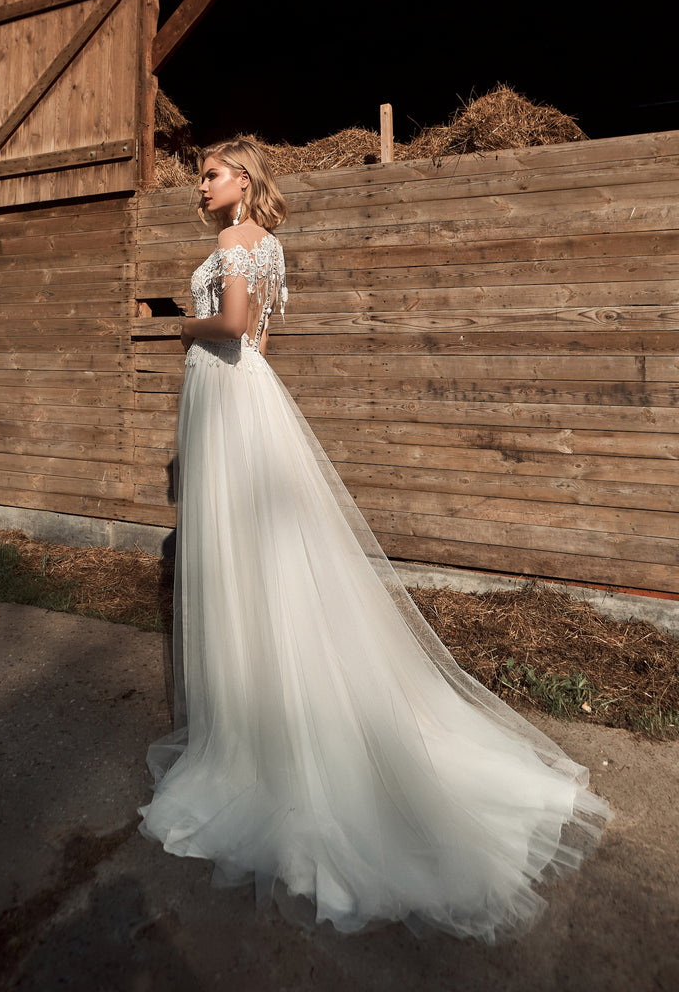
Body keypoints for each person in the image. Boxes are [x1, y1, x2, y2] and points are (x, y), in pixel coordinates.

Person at [138, 136, 610, 940]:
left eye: (210, 174)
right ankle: (276, 696)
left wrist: (178, 328)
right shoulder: (271, 244)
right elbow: (263, 339)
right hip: (247, 393)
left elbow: (235, 324)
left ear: (243, 180)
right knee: (267, 553)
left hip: (225, 389)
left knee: (245, 553)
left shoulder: (232, 241)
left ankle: (266, 737)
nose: (201, 187)